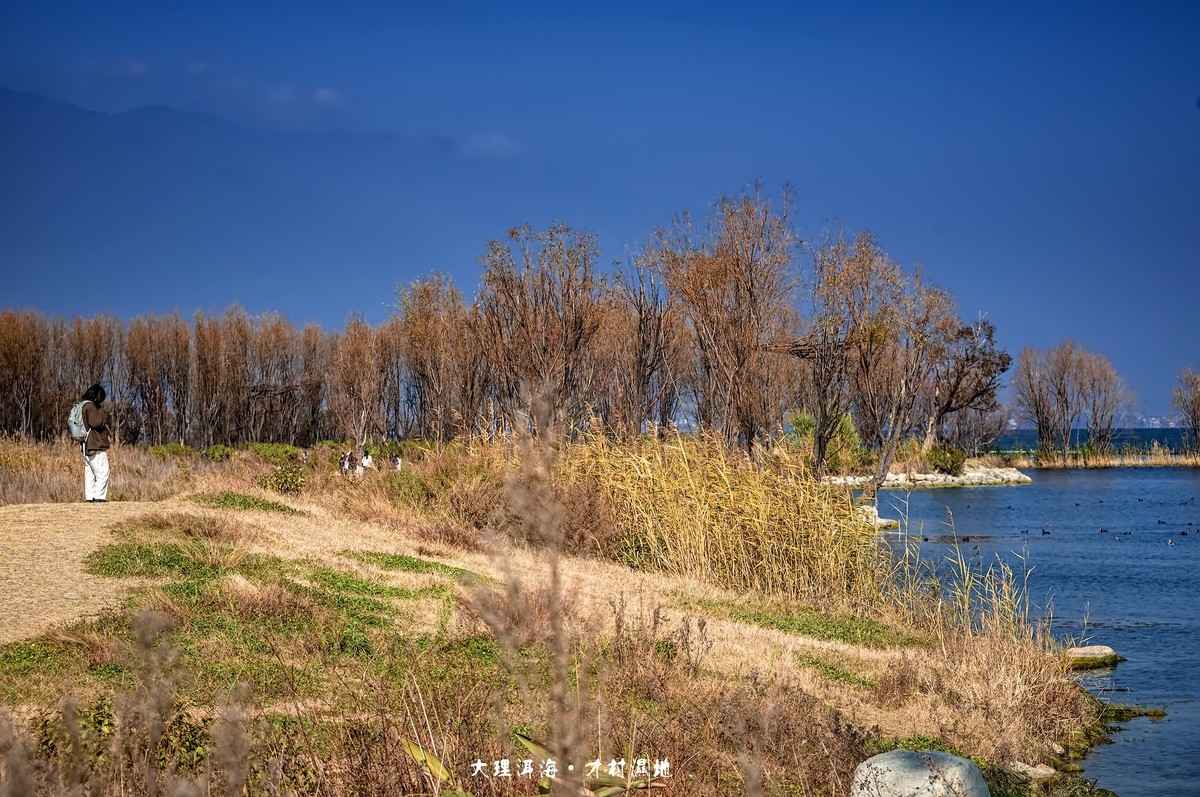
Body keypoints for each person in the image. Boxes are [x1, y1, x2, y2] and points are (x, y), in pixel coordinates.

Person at [80, 383, 112, 502]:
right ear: (97, 396)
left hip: (86, 444)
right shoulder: (89, 406)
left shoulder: (83, 405)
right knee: (103, 471)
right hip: (95, 443)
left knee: (90, 472)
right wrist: (105, 414)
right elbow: (97, 422)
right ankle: (99, 497)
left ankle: (89, 497)